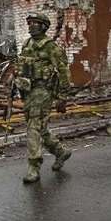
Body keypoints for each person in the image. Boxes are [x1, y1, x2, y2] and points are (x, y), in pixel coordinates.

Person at [15, 12, 72, 183]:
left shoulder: (50, 47)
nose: (31, 26)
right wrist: (14, 80)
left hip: (43, 92)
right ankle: (60, 151)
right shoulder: (27, 43)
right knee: (40, 127)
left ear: (43, 26)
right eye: (30, 23)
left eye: (35, 23)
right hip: (28, 91)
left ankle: (33, 167)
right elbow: (22, 66)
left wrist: (63, 97)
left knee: (33, 127)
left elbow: (64, 72)